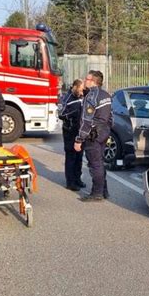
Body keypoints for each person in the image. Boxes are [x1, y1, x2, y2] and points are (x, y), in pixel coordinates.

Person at [74, 70, 112, 201]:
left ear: (94, 81)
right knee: (100, 163)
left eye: (87, 79)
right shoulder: (106, 94)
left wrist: (79, 139)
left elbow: (86, 121)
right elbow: (111, 117)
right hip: (104, 132)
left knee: (95, 164)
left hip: (94, 134)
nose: (84, 81)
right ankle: (104, 190)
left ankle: (97, 193)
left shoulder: (91, 96)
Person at [58, 79, 86, 191]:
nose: (81, 92)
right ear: (74, 87)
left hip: (79, 131)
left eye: (82, 90)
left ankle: (77, 179)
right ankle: (70, 182)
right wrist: (74, 113)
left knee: (79, 157)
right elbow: (61, 114)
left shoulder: (81, 97)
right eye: (80, 90)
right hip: (70, 132)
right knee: (71, 157)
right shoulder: (67, 98)